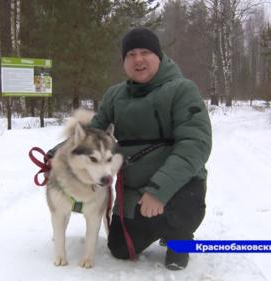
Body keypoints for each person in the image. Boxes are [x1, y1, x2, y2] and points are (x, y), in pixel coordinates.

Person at [46, 27, 212, 270]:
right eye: (131, 54)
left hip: (177, 185)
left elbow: (195, 145)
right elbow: (92, 132)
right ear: (124, 61)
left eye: (145, 52)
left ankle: (179, 238)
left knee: (181, 211)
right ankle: (162, 225)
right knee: (121, 249)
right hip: (134, 188)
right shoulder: (115, 95)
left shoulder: (182, 90)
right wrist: (54, 155)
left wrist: (159, 190)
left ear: (159, 56)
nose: (138, 59)